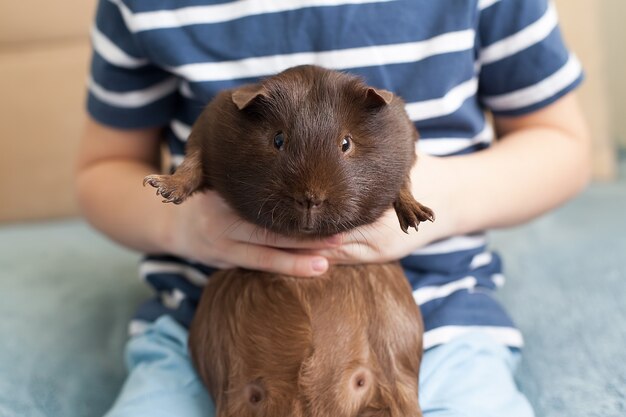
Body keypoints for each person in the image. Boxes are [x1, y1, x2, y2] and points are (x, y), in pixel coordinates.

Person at [76, 0, 590, 415]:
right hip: (209, 333)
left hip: (438, 326)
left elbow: (563, 146)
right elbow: (103, 169)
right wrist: (181, 225)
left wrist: (442, 196)